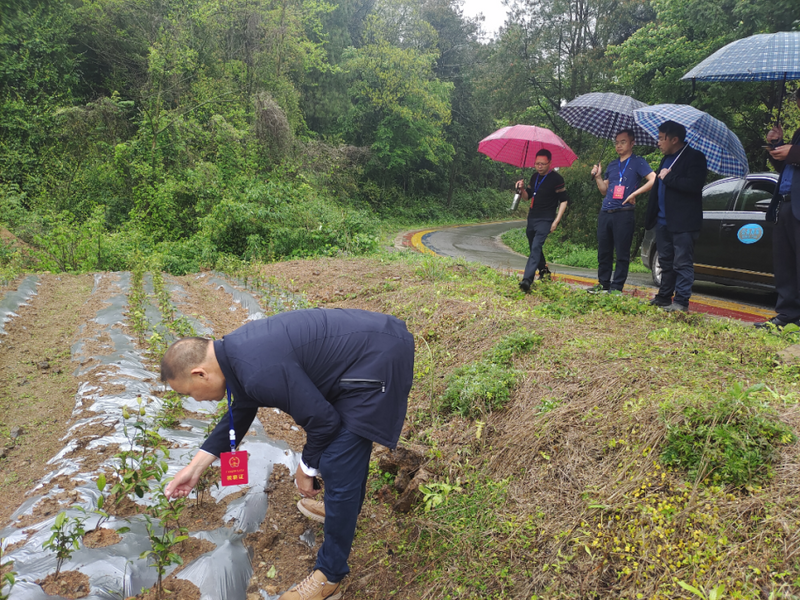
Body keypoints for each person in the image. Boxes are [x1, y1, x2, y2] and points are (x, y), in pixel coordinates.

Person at [161, 308, 415, 600]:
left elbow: (323, 421)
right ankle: (339, 514)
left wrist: (306, 468)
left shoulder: (257, 370)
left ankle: (329, 576)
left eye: (189, 393)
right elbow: (241, 409)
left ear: (199, 373)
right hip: (366, 350)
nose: (195, 400)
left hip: (377, 360)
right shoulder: (234, 354)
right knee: (338, 457)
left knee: (336, 460)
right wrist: (194, 469)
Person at [644, 120, 708, 312]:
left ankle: (681, 301)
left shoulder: (694, 158)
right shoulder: (666, 159)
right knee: (665, 261)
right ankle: (664, 296)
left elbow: (694, 185)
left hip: (683, 222)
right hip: (663, 221)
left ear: (675, 139)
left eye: (661, 138)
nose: (658, 142)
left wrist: (669, 177)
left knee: (682, 262)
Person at [588, 129, 656, 293]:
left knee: (622, 252)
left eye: (623, 142)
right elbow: (604, 190)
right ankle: (603, 284)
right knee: (604, 251)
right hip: (606, 211)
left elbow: (654, 179)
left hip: (624, 212)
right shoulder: (612, 164)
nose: (618, 145)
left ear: (632, 143)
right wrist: (597, 177)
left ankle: (617, 287)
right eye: (616, 142)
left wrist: (635, 193)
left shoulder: (638, 162)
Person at [758, 89, 800, 329]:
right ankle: (787, 314)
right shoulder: (798, 133)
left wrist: (792, 152)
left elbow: (794, 158)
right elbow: (785, 166)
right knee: (784, 264)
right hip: (786, 203)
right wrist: (778, 144)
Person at [516, 149, 569, 292]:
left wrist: (556, 221)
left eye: (543, 164)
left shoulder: (557, 179)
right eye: (537, 163)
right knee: (534, 246)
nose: (539, 166)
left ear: (550, 163)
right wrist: (521, 190)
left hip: (546, 218)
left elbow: (564, 201)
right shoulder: (534, 177)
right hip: (532, 217)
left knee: (535, 247)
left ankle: (527, 279)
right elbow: (527, 197)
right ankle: (544, 272)